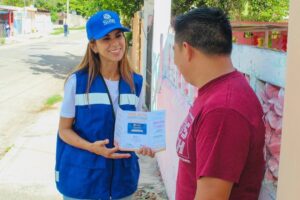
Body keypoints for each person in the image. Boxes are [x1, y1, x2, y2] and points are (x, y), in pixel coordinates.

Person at [55, 10, 155, 200]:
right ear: (93, 46)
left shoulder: (137, 83)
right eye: (106, 38)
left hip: (122, 182)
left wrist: (145, 144)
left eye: (118, 35)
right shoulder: (77, 83)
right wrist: (92, 147)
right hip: (83, 181)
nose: (115, 43)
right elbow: (64, 131)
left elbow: (137, 128)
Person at [173, 7, 265, 200]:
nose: (174, 60)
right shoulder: (217, 92)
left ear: (186, 50)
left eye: (174, 50)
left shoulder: (223, 110)